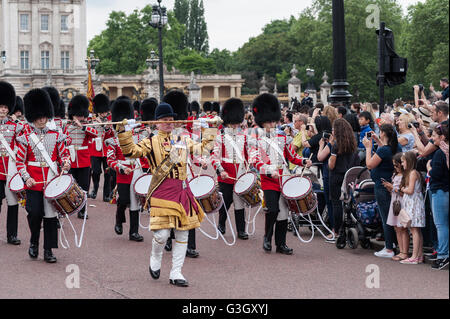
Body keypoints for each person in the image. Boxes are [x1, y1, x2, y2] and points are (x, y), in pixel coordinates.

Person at [117, 102, 215, 287]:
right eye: (165, 120)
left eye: (171, 119)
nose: (169, 123)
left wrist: (209, 129)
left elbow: (204, 149)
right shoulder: (151, 141)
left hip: (181, 190)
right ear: (156, 122)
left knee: (182, 233)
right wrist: (124, 131)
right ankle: (155, 256)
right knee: (161, 235)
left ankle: (176, 272)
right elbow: (130, 152)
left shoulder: (182, 139)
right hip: (162, 191)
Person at [249, 93, 312, 255]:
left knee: (284, 213)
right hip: (268, 180)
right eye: (269, 121)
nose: (272, 123)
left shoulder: (282, 137)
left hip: (283, 178)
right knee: (273, 210)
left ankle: (281, 243)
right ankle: (267, 238)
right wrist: (269, 170)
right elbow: (255, 160)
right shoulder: (255, 138)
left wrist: (303, 161)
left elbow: (291, 156)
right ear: (262, 121)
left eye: (273, 120)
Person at [15, 88, 71, 263]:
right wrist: (26, 178)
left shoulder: (57, 135)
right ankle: (34, 242)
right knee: (34, 213)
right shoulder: (25, 138)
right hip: (34, 182)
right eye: (38, 117)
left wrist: (66, 163)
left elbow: (63, 155)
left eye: (43, 117)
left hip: (52, 181)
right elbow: (20, 162)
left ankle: (48, 250)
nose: (41, 120)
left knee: (50, 216)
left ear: (48, 116)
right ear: (33, 117)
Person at [107, 98, 144, 242]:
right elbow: (110, 160)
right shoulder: (113, 141)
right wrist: (121, 168)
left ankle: (133, 232)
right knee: (123, 200)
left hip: (136, 171)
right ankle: (118, 219)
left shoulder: (140, 137)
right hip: (123, 173)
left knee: (135, 202)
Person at [212, 98, 249, 240]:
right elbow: (215, 157)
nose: (235, 125)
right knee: (226, 201)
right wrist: (221, 170)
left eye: (236, 122)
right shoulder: (220, 136)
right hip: (225, 174)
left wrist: (247, 170)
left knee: (239, 202)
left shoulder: (243, 136)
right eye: (233, 122)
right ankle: (222, 223)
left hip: (239, 174)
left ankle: (241, 230)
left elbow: (248, 156)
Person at [364, 124, 398, 258]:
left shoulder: (384, 150)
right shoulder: (394, 147)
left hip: (382, 185)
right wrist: (377, 141)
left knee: (386, 217)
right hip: (390, 184)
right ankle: (393, 244)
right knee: (392, 216)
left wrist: (368, 148)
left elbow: (370, 164)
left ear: (383, 133)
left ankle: (389, 247)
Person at [64, 95, 99, 219]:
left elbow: (95, 134)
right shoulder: (66, 126)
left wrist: (82, 126)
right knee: (69, 187)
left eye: (81, 115)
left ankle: (83, 210)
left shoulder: (87, 126)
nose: (80, 117)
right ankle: (68, 209)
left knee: (84, 187)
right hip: (70, 160)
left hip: (84, 160)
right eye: (77, 115)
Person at [327, 119, 359, 242]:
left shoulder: (336, 145)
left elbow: (331, 165)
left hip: (336, 175)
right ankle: (350, 227)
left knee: (336, 204)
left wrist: (330, 149)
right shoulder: (352, 144)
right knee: (349, 203)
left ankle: (337, 230)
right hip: (349, 175)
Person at [0, 81, 23, 245]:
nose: (3, 110)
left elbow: (25, 141)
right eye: (1, 106)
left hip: (10, 169)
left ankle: (12, 234)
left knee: (12, 203)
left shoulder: (15, 126)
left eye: (5, 107)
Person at [427, 124, 449, 270]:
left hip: (440, 190)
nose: (432, 138)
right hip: (444, 189)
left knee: (441, 225)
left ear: (442, 137)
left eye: (434, 135)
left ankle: (443, 255)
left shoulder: (440, 153)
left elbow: (435, 174)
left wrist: (429, 168)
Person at [399, 151, 425, 264]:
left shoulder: (413, 173)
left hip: (414, 204)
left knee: (414, 230)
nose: (402, 164)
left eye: (403, 161)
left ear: (408, 161)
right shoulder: (413, 173)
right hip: (414, 203)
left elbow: (410, 190)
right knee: (416, 230)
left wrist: (402, 189)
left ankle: (414, 256)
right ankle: (419, 255)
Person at [88, 94, 114, 201]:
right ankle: (95, 188)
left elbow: (112, 134)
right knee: (96, 171)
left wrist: (106, 127)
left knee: (107, 172)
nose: (104, 114)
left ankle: (106, 195)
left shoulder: (109, 120)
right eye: (102, 112)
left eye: (105, 112)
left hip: (106, 149)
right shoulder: (91, 120)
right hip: (95, 149)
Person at [385, 153, 408, 261]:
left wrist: (393, 188)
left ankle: (405, 252)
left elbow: (404, 193)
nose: (395, 167)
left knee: (402, 228)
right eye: (394, 165)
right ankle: (400, 251)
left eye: (396, 165)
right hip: (394, 203)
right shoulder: (394, 175)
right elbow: (393, 191)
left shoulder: (405, 176)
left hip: (402, 203)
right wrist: (389, 188)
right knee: (396, 227)